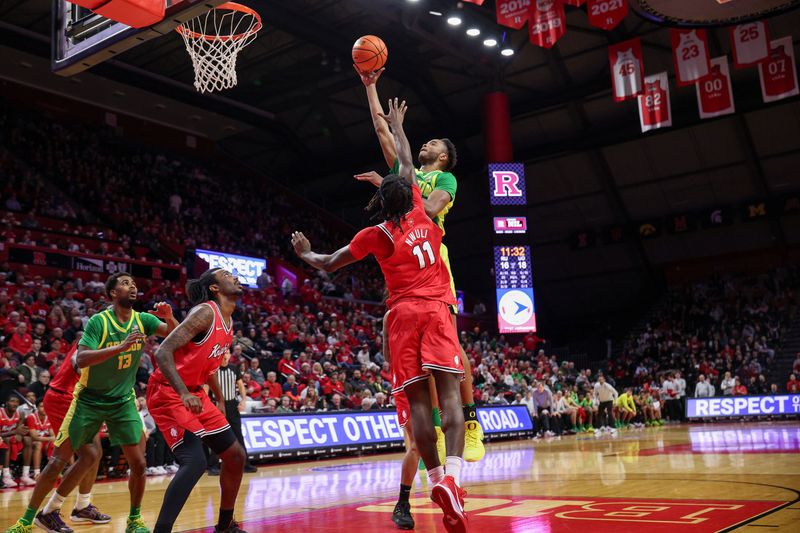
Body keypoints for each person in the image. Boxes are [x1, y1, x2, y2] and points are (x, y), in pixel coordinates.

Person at [293, 98, 468, 532]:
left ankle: (433, 480)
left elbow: (330, 261)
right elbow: (405, 161)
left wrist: (304, 253)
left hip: (403, 317)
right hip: (437, 308)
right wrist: (401, 128)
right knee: (449, 396)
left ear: (379, 200)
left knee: (418, 407)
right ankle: (454, 478)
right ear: (408, 192)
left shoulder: (377, 233)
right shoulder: (422, 211)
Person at [356, 67, 484, 463]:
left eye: (431, 142)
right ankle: (431, 426)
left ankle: (471, 421)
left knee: (452, 346)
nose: (423, 144)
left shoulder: (445, 180)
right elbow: (382, 131)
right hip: (401, 254)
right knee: (411, 353)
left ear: (441, 157)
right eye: (422, 141)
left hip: (430, 255)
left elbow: (428, 210)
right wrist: (371, 86)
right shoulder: (405, 174)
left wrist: (389, 187)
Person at [5, 273, 177, 533]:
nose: (132, 286)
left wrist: (170, 317)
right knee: (60, 460)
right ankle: (27, 520)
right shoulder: (99, 322)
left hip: (122, 400)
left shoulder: (143, 320)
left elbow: (176, 335)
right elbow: (81, 359)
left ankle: (134, 519)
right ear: (112, 293)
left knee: (138, 463)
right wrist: (121, 347)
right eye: (125, 283)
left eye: (133, 282)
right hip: (88, 400)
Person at [147, 268, 248, 533]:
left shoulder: (228, 320)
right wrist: (183, 393)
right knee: (195, 462)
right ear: (214, 288)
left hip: (196, 393)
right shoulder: (205, 312)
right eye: (227, 275)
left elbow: (209, 365)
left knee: (235, 456)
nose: (235, 277)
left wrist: (219, 398)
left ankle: (224, 526)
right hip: (169, 392)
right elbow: (164, 351)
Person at [1, 395, 32, 487]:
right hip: (2, 439)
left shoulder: (20, 414)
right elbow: (15, 431)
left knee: (28, 440)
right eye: (12, 401)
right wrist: (15, 432)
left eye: (17, 402)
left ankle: (25, 475)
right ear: (6, 403)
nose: (15, 404)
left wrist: (19, 434)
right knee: (6, 440)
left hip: (11, 438)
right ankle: (6, 476)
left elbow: (19, 430)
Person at [26, 399, 54, 480]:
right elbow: (34, 437)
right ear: (37, 407)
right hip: (32, 443)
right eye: (42, 406)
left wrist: (51, 438)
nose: (44, 408)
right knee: (38, 444)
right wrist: (50, 438)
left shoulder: (49, 417)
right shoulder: (31, 417)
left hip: (44, 443)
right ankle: (37, 473)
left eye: (46, 406)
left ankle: (54, 471)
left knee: (56, 443)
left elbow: (53, 435)